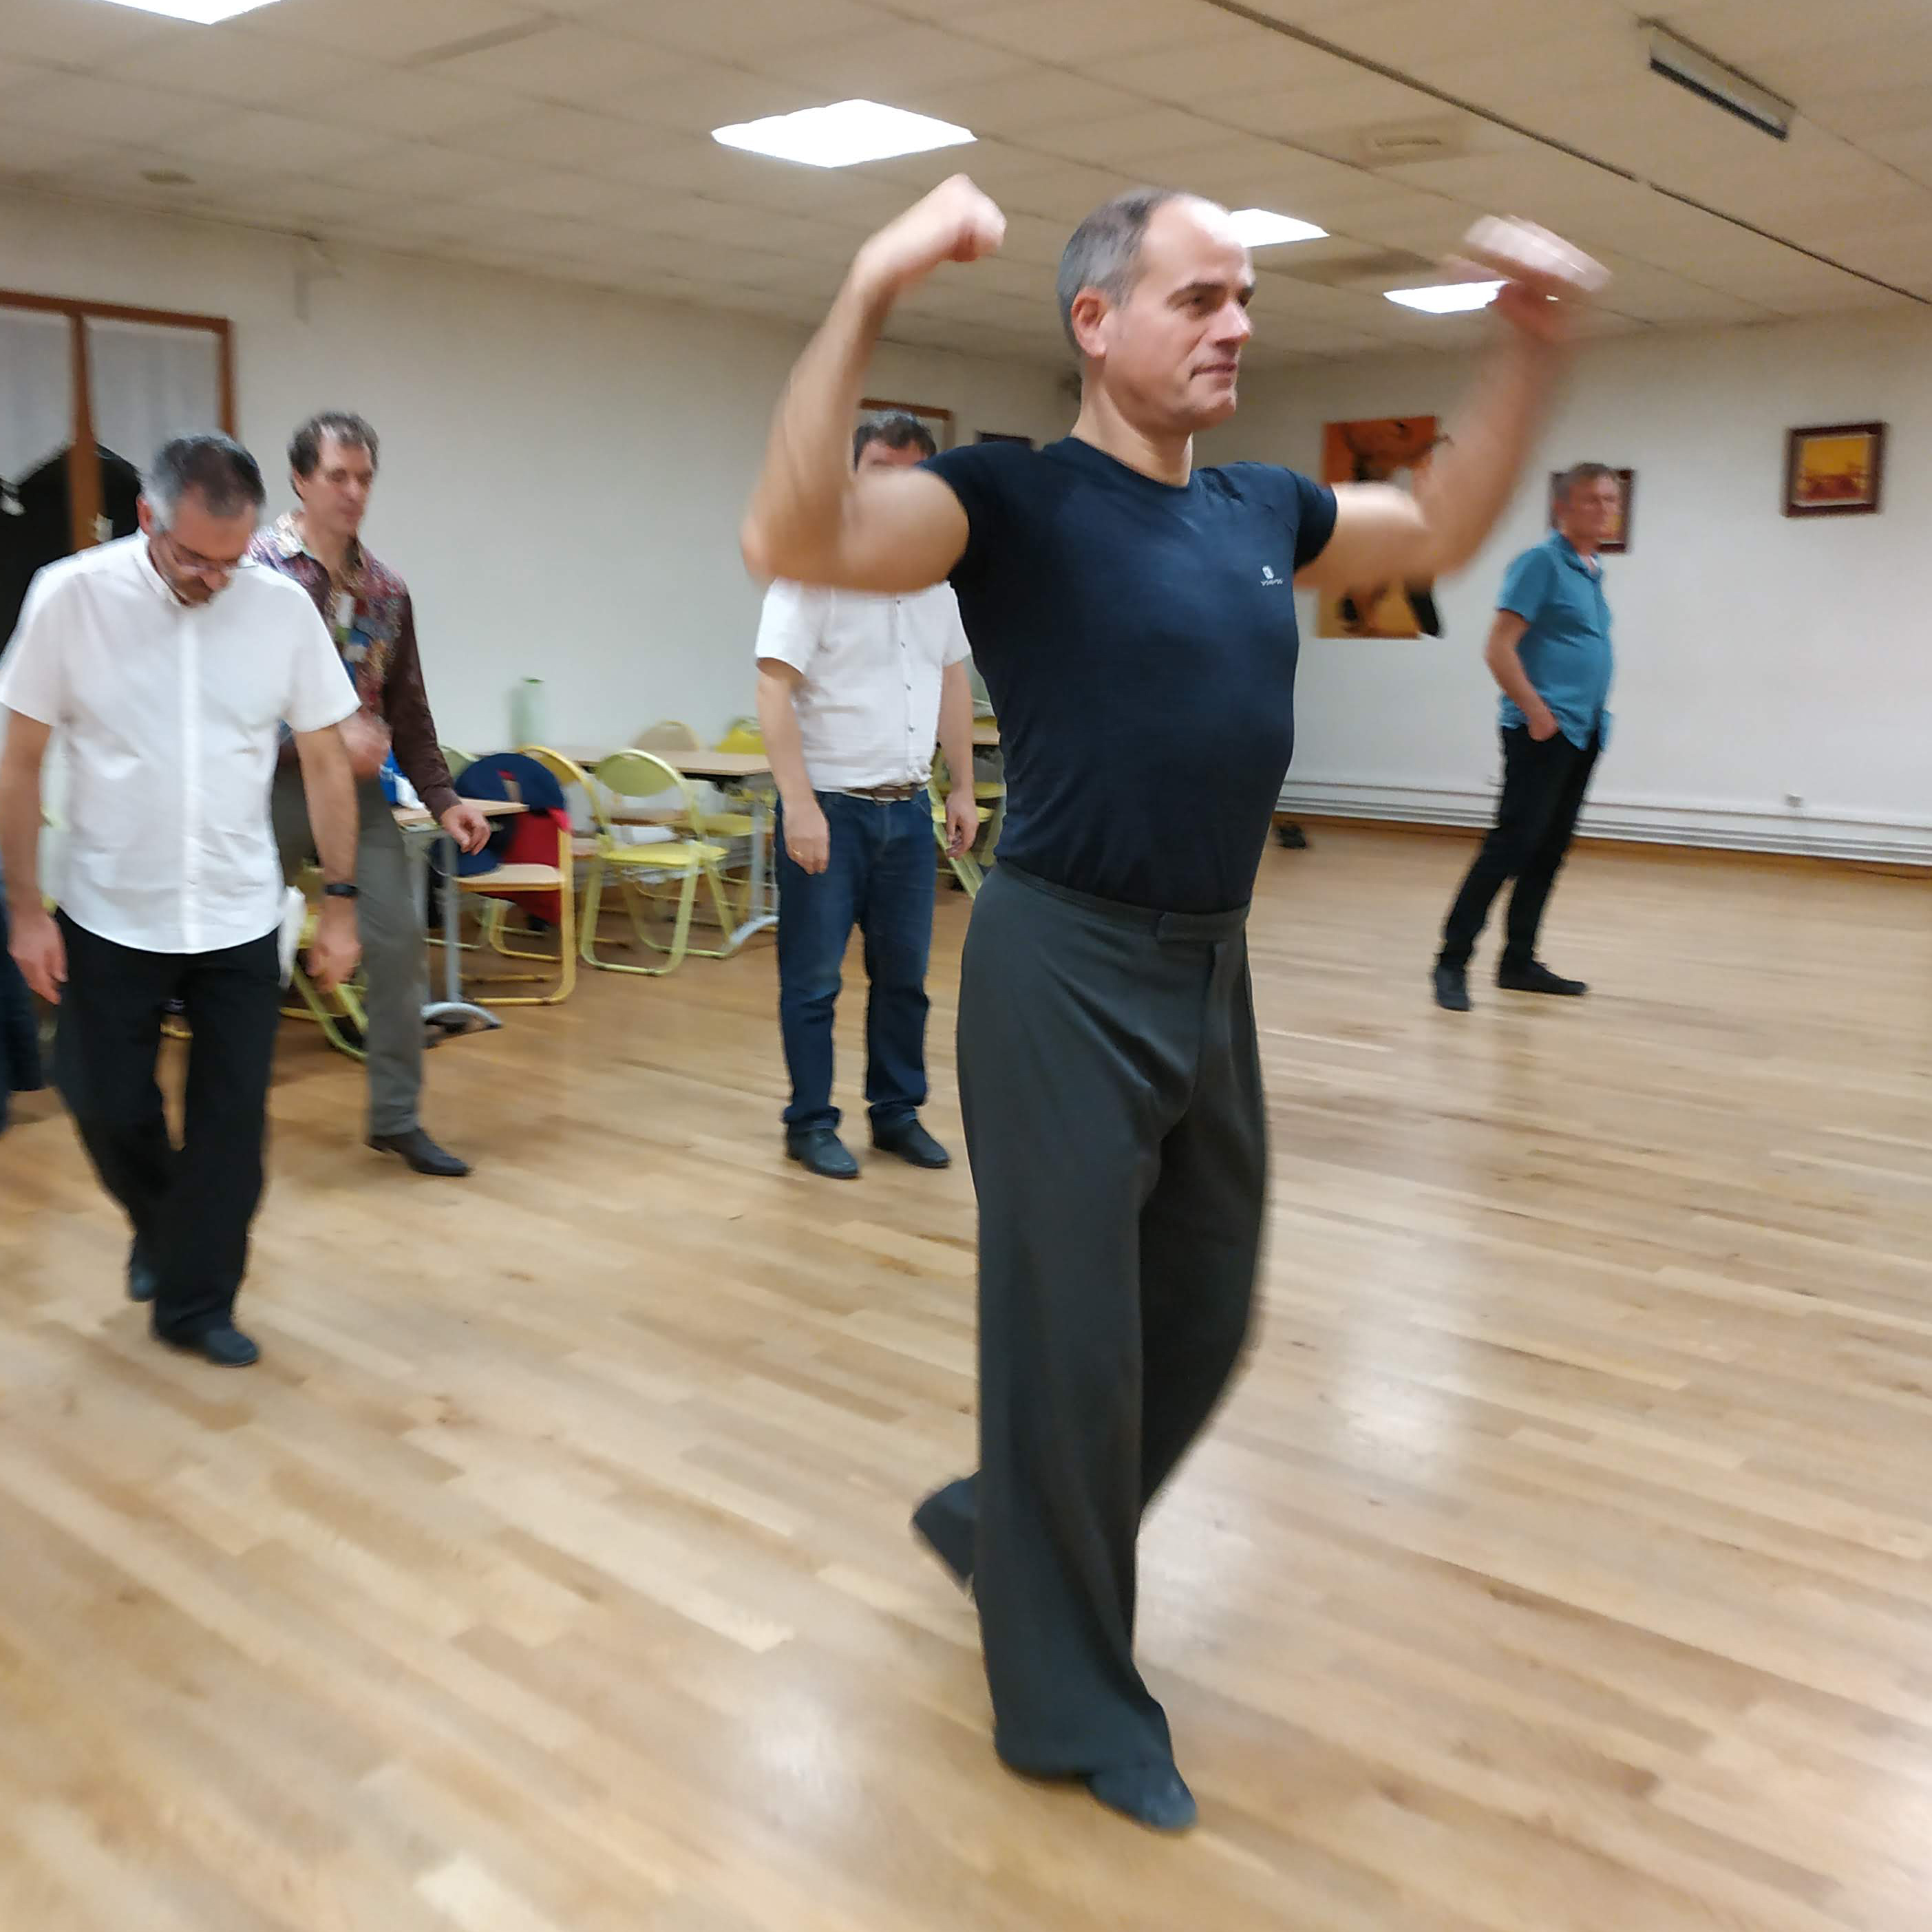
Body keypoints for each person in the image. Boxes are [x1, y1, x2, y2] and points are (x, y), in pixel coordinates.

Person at [741, 176, 1602, 1832]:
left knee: (1206, 1310)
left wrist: (1527, 355)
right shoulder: (1009, 503)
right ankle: (1067, 1703)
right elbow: (795, 538)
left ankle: (1011, 1527)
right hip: (1061, 964)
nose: (1236, 327)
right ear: (1096, 322)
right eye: (1200, 297)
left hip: (1212, 961)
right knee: (1071, 1347)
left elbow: (1434, 529)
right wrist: (868, 285)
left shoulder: (1257, 507)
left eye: (1243, 299)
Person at [0, 434, 361, 1366]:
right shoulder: (69, 597)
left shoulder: (278, 608)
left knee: (232, 1124)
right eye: (193, 557)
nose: (213, 578)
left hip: (238, 908)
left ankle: (197, 1302)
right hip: (110, 904)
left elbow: (326, 756)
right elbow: (22, 758)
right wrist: (26, 910)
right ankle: (165, 1226)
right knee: (101, 1097)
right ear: (148, 518)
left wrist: (343, 901)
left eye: (231, 560)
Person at [252, 412, 491, 1177]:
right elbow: (231, 698)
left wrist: (444, 794)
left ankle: (395, 1117)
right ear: (300, 479)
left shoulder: (385, 589)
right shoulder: (254, 570)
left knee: (395, 943)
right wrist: (317, 736)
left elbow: (408, 706)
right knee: (242, 953)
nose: (354, 492)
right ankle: (230, 1121)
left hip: (355, 799)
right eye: (338, 477)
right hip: (263, 789)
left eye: (364, 478)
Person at [753, 411, 979, 1181]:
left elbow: (953, 680)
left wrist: (962, 786)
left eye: (912, 474)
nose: (896, 487)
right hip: (832, 808)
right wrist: (800, 804)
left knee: (904, 978)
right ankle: (810, 1121)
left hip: (908, 811)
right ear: (853, 476)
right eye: (880, 469)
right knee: (813, 979)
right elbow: (771, 688)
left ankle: (895, 1112)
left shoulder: (934, 581)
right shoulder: (812, 570)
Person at [1432, 462, 1620, 1012]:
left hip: (1582, 732)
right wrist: (1537, 713)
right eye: (1591, 499)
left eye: (1610, 499)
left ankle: (1518, 962)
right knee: (1510, 846)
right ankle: (1450, 963)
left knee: (1548, 851)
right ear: (1561, 506)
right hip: (1542, 729)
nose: (1604, 509)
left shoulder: (1590, 569)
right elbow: (1498, 646)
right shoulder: (1540, 563)